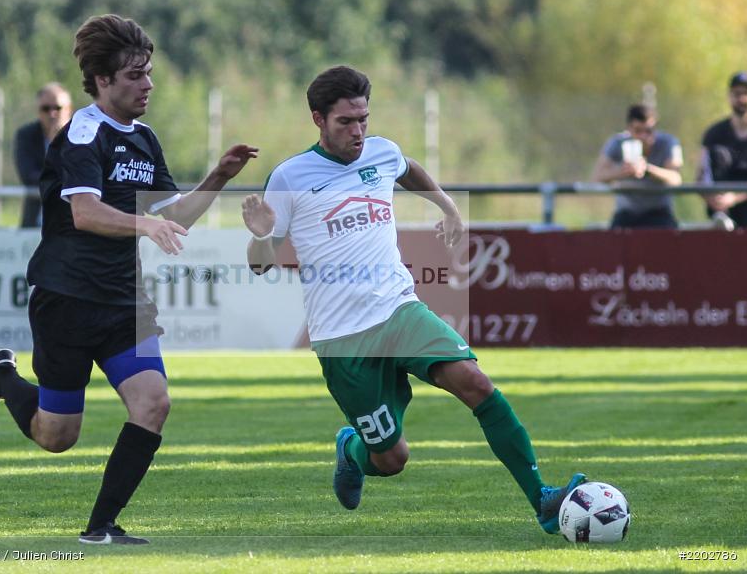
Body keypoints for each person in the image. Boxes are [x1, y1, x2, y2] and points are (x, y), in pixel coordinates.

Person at [241, 65, 585, 534]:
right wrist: (262, 236)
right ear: (318, 119)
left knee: (477, 384)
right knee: (391, 459)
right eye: (346, 122)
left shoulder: (381, 152)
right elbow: (259, 264)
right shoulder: (289, 177)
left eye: (364, 119)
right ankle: (352, 451)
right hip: (343, 340)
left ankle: (542, 499)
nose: (358, 131)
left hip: (399, 310)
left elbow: (408, 169)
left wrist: (447, 206)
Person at [0, 14, 257, 544]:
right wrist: (146, 224)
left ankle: (100, 527)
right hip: (67, 298)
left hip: (124, 301)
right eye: (135, 75)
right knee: (57, 436)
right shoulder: (83, 133)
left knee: (154, 403)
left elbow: (175, 216)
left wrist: (217, 177)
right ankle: (2, 377)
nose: (148, 85)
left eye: (149, 73)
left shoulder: (144, 138)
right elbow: (85, 214)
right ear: (102, 80)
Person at [591, 104, 683, 229]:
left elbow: (676, 179)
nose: (644, 136)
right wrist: (623, 171)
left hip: (659, 213)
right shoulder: (617, 143)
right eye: (638, 131)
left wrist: (648, 169)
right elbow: (598, 176)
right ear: (629, 129)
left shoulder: (668, 142)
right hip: (626, 214)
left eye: (649, 131)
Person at [698, 71, 747, 229]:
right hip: (723, 217)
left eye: (746, 93)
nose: (741, 99)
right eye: (736, 94)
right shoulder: (714, 133)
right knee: (719, 154)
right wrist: (714, 199)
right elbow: (701, 175)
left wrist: (735, 197)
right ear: (729, 96)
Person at [14, 83, 73, 228]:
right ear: (38, 111)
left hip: (73, 223)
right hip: (36, 221)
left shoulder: (84, 135)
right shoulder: (26, 135)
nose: (52, 114)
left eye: (57, 108)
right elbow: (28, 175)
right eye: (46, 109)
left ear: (69, 109)